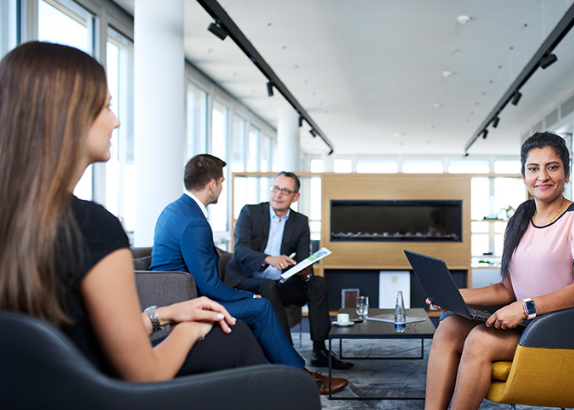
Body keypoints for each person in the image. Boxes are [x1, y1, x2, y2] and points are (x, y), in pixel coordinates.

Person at [0, 41, 268, 382]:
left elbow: (73, 334)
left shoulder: (21, 220)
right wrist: (188, 329)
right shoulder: (91, 227)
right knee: (239, 340)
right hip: (98, 393)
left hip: (41, 389)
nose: (116, 121)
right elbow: (144, 373)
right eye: (107, 107)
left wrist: (169, 313)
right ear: (69, 115)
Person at [424, 132, 574, 410]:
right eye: (533, 168)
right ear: (524, 176)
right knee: (448, 328)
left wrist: (524, 308)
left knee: (481, 339)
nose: (542, 176)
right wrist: (455, 295)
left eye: (552, 167)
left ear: (567, 174)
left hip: (563, 327)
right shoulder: (520, 220)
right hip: (526, 324)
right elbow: (506, 289)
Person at [150, 155, 348, 394]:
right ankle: (301, 378)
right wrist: (244, 295)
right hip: (187, 302)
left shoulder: (174, 210)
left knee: (299, 289)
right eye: (222, 182)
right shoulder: (196, 222)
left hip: (180, 295)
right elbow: (209, 284)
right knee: (261, 306)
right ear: (212, 184)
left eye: (285, 191)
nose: (221, 188)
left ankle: (282, 372)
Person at [227, 171, 353, 370]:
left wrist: (305, 270)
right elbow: (240, 250)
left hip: (281, 281)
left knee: (318, 283)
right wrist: (269, 259)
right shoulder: (250, 212)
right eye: (275, 188)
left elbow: (304, 257)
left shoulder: (300, 221)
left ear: (295, 197)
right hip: (248, 279)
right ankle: (286, 353)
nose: (278, 194)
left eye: (285, 191)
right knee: (268, 286)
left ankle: (319, 350)